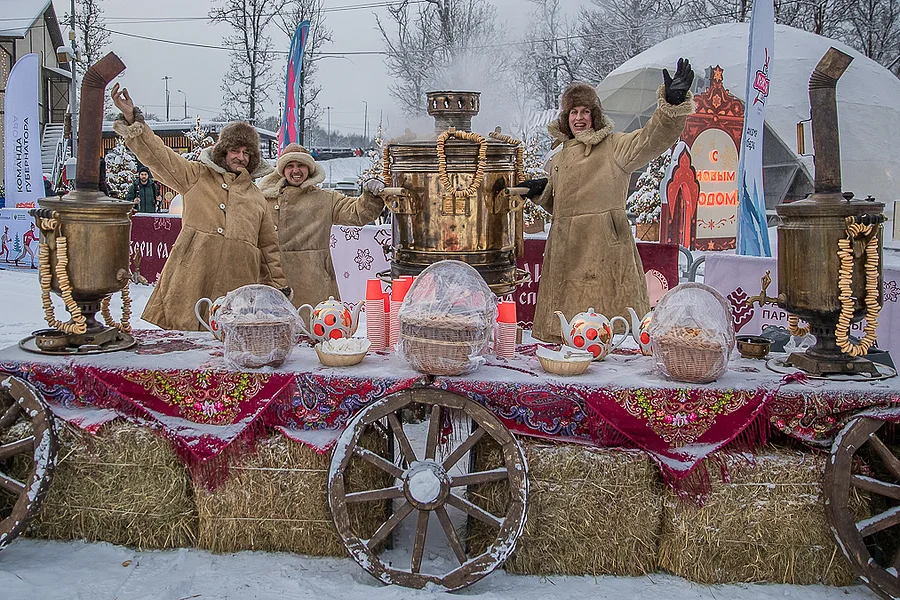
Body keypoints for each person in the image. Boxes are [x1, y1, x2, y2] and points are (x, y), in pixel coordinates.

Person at [523, 59, 695, 344]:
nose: (579, 118)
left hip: (602, 251)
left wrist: (671, 107)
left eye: (585, 111)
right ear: (565, 118)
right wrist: (541, 192)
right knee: (563, 336)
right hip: (565, 252)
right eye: (573, 112)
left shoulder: (614, 146)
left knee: (605, 333)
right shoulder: (559, 157)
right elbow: (562, 204)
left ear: (596, 116)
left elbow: (651, 139)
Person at [110, 83, 288, 331]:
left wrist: (278, 288)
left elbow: (269, 248)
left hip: (236, 286)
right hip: (191, 278)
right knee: (182, 351)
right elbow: (159, 157)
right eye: (235, 150)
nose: (241, 157)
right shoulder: (195, 176)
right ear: (223, 152)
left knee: (229, 350)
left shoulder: (257, 197)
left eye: (247, 152)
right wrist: (132, 119)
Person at [257, 143, 386, 308]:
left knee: (315, 330)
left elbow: (358, 213)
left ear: (310, 169)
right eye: (290, 166)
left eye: (301, 165)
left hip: (315, 284)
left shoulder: (326, 199)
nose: (296, 171)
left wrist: (370, 196)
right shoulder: (264, 199)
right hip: (274, 284)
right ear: (282, 170)